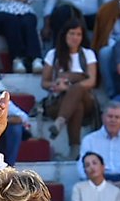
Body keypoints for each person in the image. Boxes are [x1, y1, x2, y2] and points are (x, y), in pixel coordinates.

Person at [40, 18, 99, 163]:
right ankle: (74, 149)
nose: (75, 38)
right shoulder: (53, 54)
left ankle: (60, 122)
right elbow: (44, 82)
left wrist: (70, 85)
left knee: (78, 89)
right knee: (76, 105)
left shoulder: (88, 54)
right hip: (58, 101)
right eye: (72, 34)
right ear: (65, 35)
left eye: (78, 34)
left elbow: (92, 81)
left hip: (86, 99)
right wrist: (56, 85)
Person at [78, 101, 120, 189]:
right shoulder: (89, 140)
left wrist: (119, 184)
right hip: (96, 180)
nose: (113, 120)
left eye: (117, 117)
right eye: (110, 116)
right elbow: (82, 168)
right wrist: (100, 184)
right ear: (103, 118)